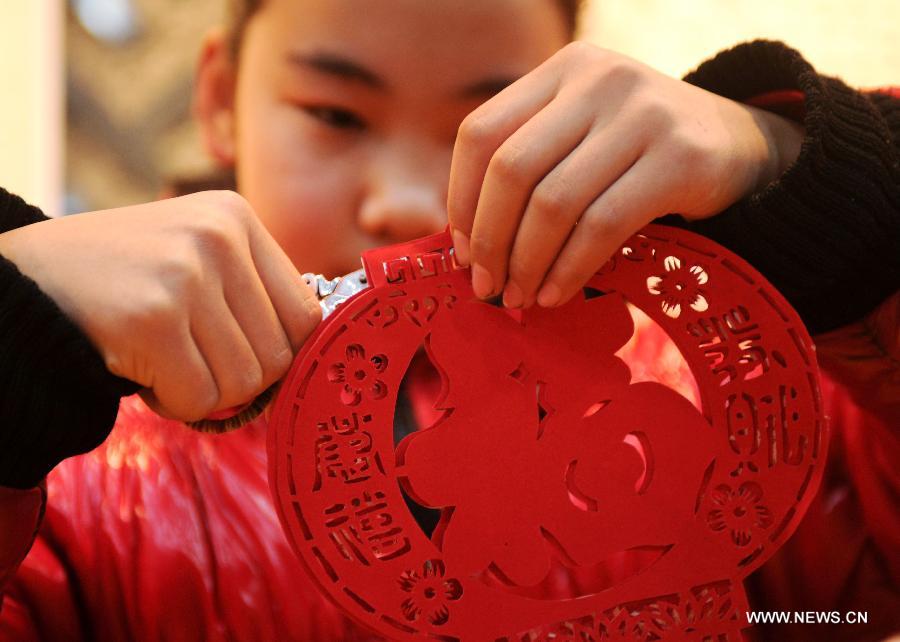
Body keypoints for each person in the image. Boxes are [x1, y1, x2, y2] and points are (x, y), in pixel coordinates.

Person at [0, 0, 897, 639]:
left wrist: (816, 187)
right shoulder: (75, 488)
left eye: (492, 124)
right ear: (218, 96)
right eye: (334, 114)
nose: (406, 203)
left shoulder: (719, 399)